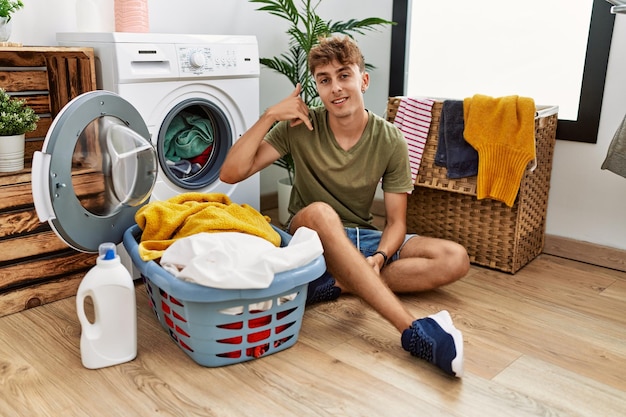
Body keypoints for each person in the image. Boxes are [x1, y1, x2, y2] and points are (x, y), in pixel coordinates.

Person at [220, 35, 470, 377]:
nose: (335, 88)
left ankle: (342, 282)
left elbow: (396, 222)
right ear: (317, 88)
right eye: (324, 80)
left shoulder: (390, 138)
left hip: (363, 238)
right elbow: (230, 172)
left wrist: (379, 257)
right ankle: (412, 330)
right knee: (322, 212)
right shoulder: (298, 129)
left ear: (362, 79)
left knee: (455, 258)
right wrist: (269, 116)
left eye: (343, 75)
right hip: (309, 235)